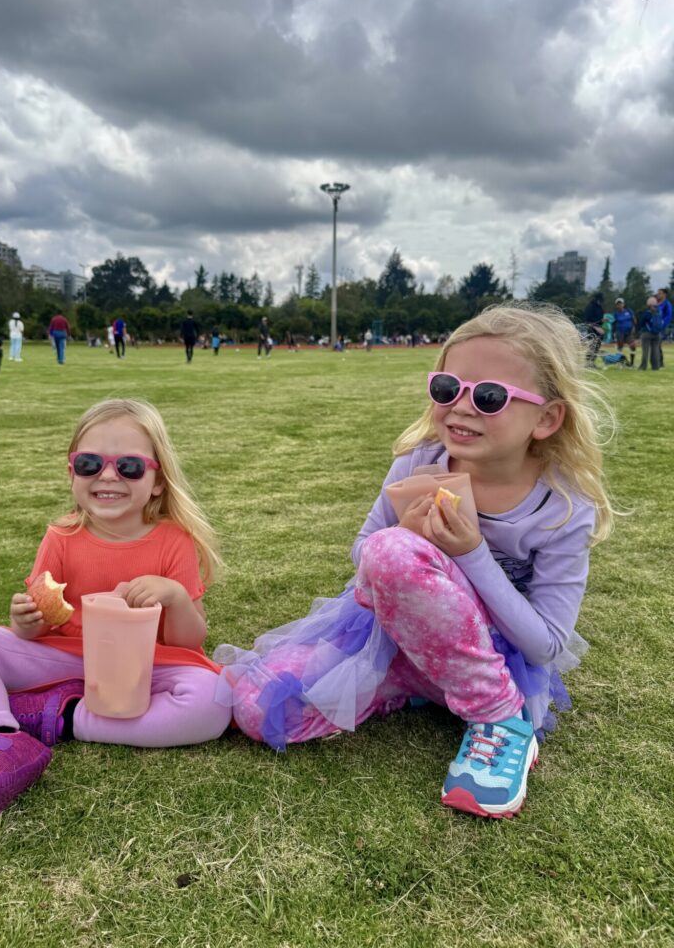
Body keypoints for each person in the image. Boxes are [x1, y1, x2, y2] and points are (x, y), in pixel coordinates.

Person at [214, 302, 616, 819]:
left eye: (490, 397)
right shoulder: (418, 462)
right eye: (448, 388)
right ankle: (412, 689)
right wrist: (400, 542)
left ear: (546, 418)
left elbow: (545, 646)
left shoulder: (561, 510)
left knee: (395, 552)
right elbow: (364, 552)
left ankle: (500, 719)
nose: (461, 408)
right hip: (395, 644)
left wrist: (470, 553)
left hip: (498, 665)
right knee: (256, 708)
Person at [0, 398, 231, 839]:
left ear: (157, 483)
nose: (107, 476)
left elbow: (189, 642)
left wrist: (175, 597)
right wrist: (25, 622)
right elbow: (40, 625)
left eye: (129, 466)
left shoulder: (173, 542)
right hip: (69, 657)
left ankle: (59, 717)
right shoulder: (62, 536)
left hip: (150, 667)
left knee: (215, 701)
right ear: (72, 474)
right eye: (90, 463)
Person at [637, 296, 664, 371]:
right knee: (655, 351)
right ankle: (656, 367)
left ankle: (643, 367)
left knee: (645, 351)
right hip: (657, 334)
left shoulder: (647, 313)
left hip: (647, 333)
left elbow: (642, 323)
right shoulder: (659, 312)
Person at [582, 293, 605, 367]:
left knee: (597, 346)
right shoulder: (590, 306)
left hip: (598, 328)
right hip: (591, 328)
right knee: (592, 345)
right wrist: (595, 327)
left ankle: (592, 362)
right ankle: (588, 362)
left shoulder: (600, 307)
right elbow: (587, 320)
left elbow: (599, 320)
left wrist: (602, 321)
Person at [612, 299, 636, 365]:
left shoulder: (629, 311)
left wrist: (633, 327)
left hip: (629, 332)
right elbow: (613, 322)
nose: (619, 305)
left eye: (621, 303)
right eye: (618, 304)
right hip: (620, 332)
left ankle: (632, 363)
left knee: (633, 346)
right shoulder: (615, 314)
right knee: (620, 347)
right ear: (616, 305)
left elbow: (634, 320)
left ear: (623, 304)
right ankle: (620, 361)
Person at [655, 288, 672, 367]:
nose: (658, 294)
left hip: (661, 328)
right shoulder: (656, 303)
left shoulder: (667, 304)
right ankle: (658, 362)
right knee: (656, 345)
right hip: (654, 327)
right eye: (658, 293)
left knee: (657, 344)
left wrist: (663, 324)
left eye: (660, 293)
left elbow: (668, 315)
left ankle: (660, 362)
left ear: (664, 294)